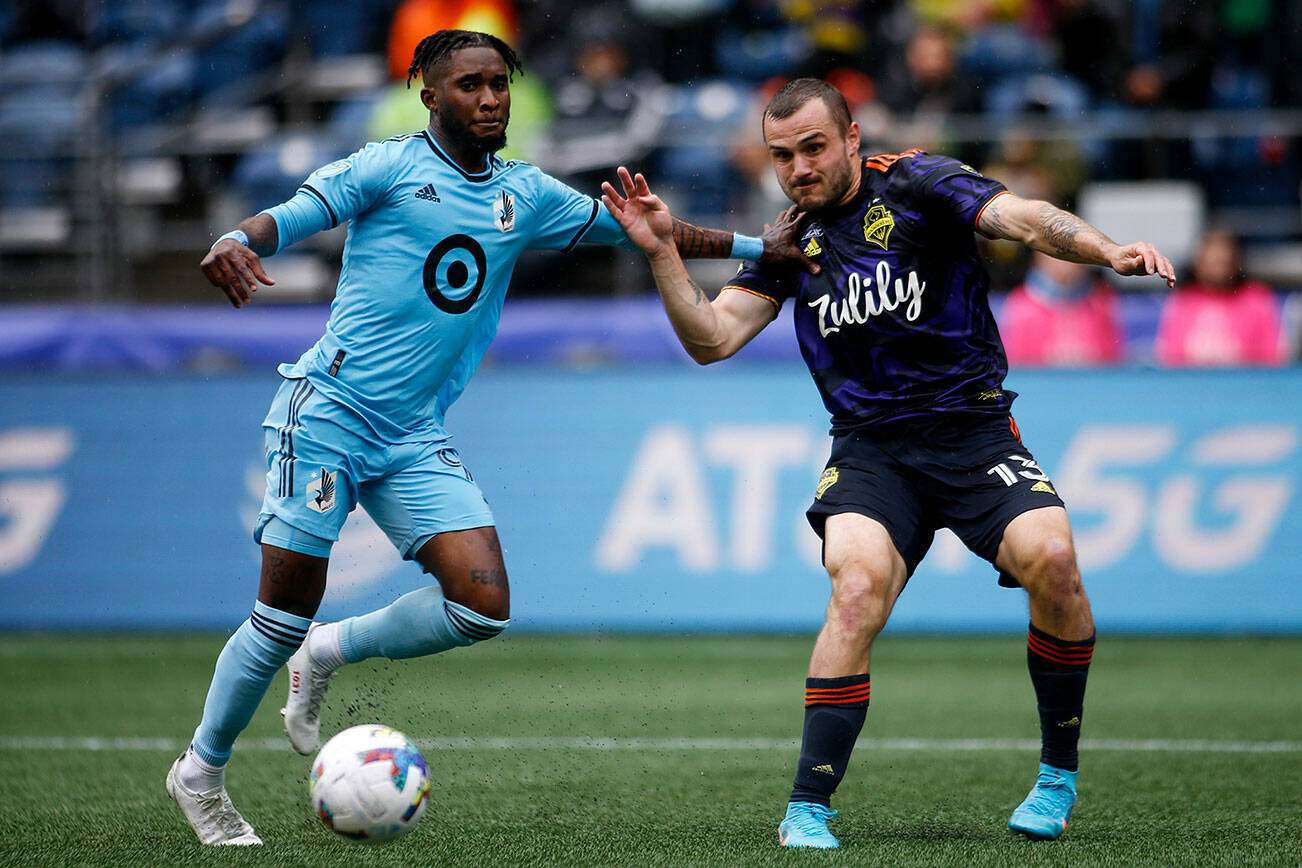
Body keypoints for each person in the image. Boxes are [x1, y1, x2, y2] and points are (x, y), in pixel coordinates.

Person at [165, 29, 807, 847]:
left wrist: (762, 248)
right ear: (429, 95)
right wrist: (236, 240)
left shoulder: (526, 193)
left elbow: (653, 232)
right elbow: (287, 216)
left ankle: (331, 649)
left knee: (481, 606)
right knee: (279, 612)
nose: (491, 98)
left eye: (499, 84)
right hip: (325, 411)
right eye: (470, 85)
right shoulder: (386, 166)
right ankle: (202, 772)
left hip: (411, 433)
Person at [601, 77, 1176, 849]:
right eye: (782, 155)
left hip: (973, 432)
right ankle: (807, 807)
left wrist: (1105, 250)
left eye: (813, 147)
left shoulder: (918, 180)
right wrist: (664, 252)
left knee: (1057, 563)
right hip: (871, 449)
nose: (800, 167)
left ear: (850, 138)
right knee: (858, 585)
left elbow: (1020, 217)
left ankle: (1056, 776)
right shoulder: (789, 239)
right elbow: (711, 339)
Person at [1154, 227, 1285, 366]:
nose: (1218, 271)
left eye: (1224, 263)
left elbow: (1272, 357)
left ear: (1236, 262)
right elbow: (1169, 357)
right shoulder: (1183, 299)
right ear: (1198, 264)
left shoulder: (1256, 299)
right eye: (1212, 263)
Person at [1000, 250, 1125, 366]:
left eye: (1077, 252)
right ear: (1039, 256)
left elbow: (1112, 366)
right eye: (1060, 252)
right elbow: (1016, 371)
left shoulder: (1102, 303)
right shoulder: (1021, 307)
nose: (1070, 261)